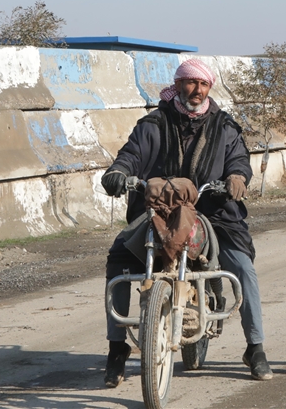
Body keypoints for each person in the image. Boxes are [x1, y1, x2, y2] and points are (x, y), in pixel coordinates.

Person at [100, 58, 273, 387]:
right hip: (160, 212)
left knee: (242, 266)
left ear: (210, 88)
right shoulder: (153, 123)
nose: (196, 90)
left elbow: (238, 158)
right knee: (119, 261)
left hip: (214, 212)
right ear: (177, 85)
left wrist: (237, 177)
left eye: (203, 84)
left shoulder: (225, 127)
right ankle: (117, 348)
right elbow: (131, 154)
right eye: (190, 83)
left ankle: (256, 347)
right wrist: (119, 172)